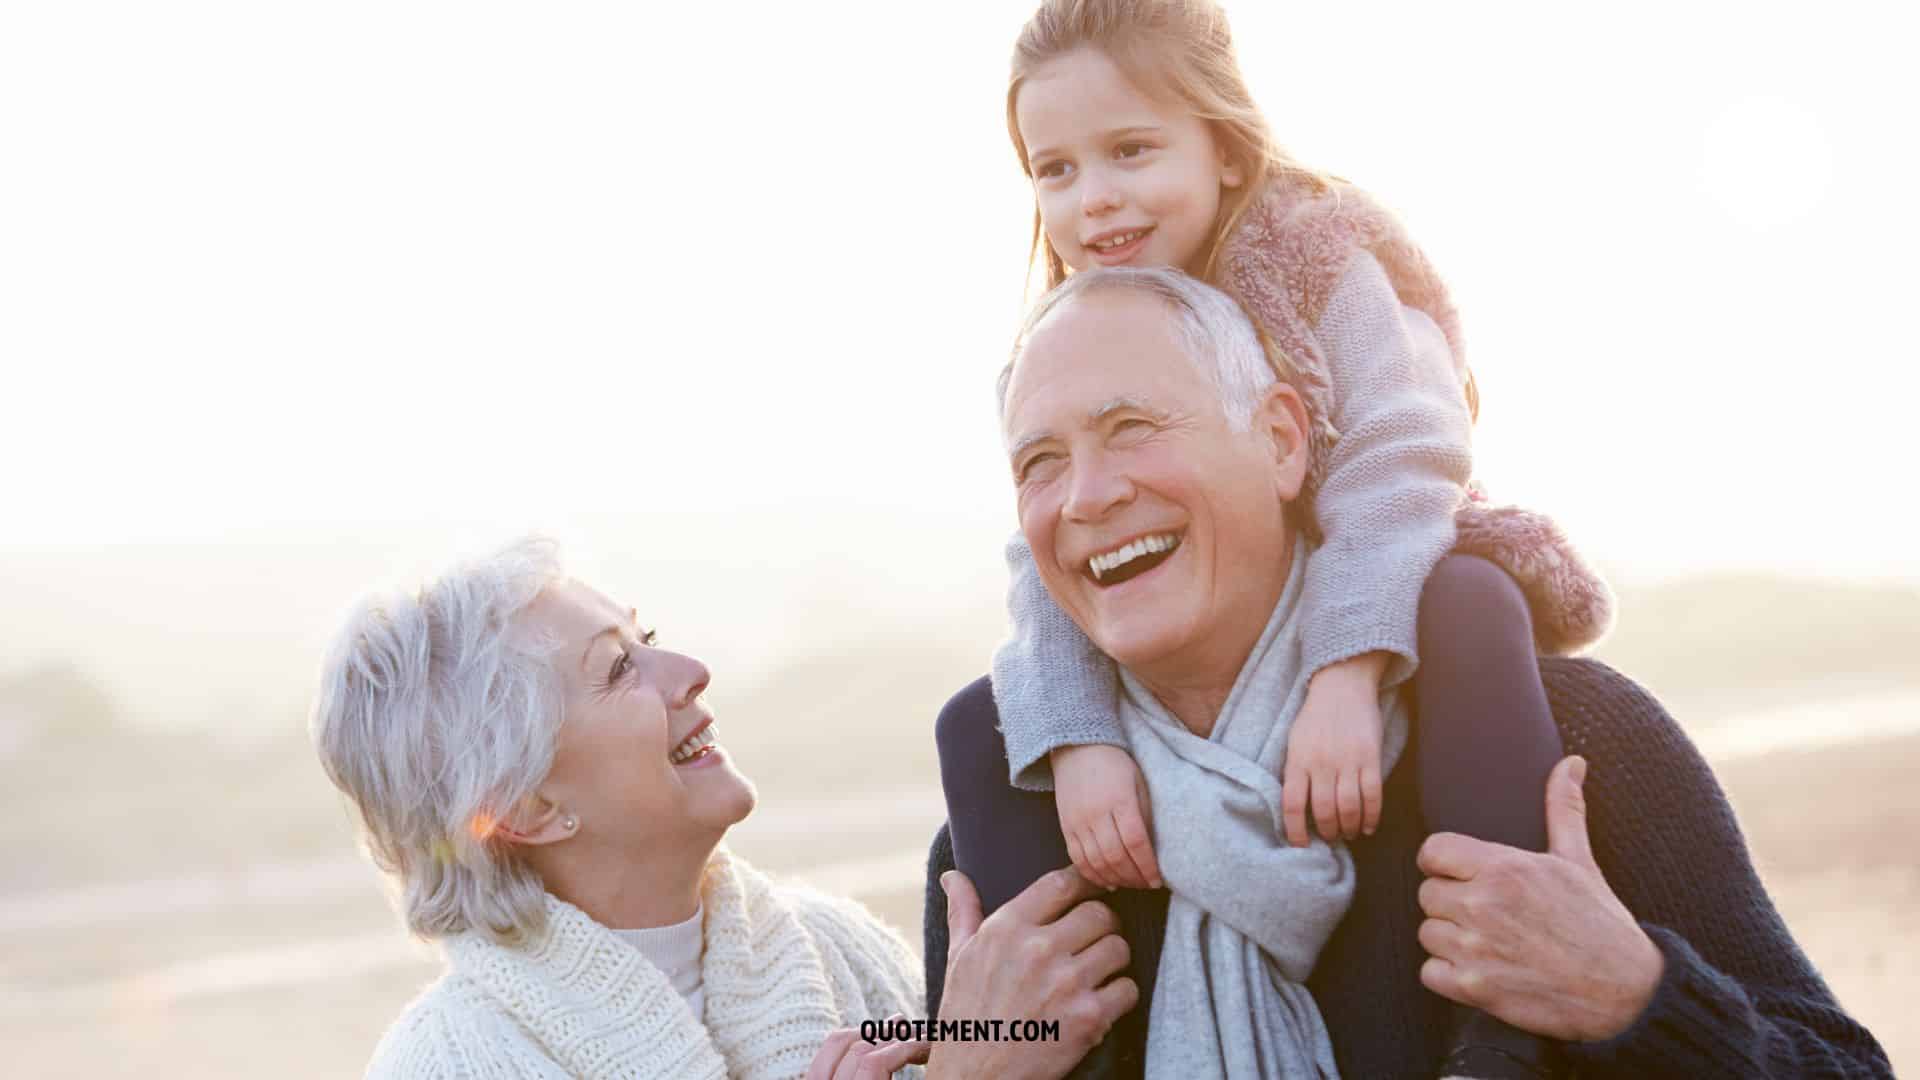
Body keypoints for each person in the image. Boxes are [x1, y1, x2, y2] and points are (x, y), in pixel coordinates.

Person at [926, 268, 1892, 1078]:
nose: (1088, 495)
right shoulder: (1003, 845)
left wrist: (1636, 996)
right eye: (1040, 463)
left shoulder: (1570, 743)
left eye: (1132, 426)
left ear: (1282, 440)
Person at [962, 2, 1607, 1073]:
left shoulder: (1317, 254)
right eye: (1055, 170)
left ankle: (1509, 999)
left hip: (1387, 563)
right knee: (972, 725)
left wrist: (1346, 675)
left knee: (1470, 602)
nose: (1095, 198)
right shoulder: (1069, 337)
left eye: (1129, 150)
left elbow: (1404, 452)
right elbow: (1048, 563)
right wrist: (1079, 742)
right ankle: (1049, 1044)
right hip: (1214, 646)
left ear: (1222, 143)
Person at [310, 538, 1135, 1079]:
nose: (689, 670)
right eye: (617, 670)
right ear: (524, 806)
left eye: (650, 637)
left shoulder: (834, 947)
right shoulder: (445, 1063)